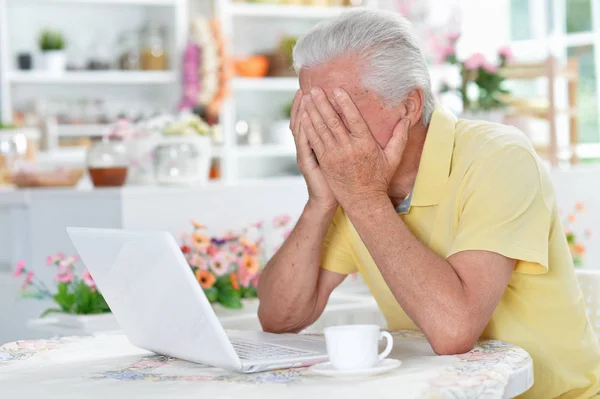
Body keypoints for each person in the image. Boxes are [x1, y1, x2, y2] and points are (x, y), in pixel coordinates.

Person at [256, 8, 600, 399]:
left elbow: (454, 330)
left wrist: (365, 199)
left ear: (408, 105)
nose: (320, 127)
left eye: (336, 110)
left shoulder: (499, 157)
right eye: (309, 107)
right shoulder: (351, 183)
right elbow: (279, 319)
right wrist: (320, 202)